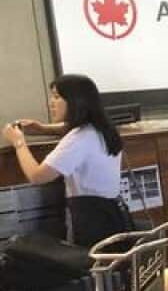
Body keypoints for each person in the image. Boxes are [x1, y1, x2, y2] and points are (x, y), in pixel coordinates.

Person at [2, 74, 130, 249]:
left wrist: (18, 142)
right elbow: (69, 128)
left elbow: (38, 176)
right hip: (113, 215)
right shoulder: (101, 129)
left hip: (91, 221)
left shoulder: (78, 139)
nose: (51, 103)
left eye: (56, 97)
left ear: (75, 101)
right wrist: (41, 128)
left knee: (89, 262)